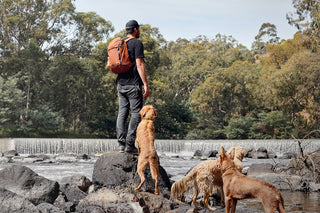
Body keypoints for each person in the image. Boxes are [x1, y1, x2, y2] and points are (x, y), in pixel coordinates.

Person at [116, 20, 150, 153]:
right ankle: (130, 144)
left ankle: (121, 144)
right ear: (136, 29)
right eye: (139, 29)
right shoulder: (137, 43)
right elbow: (140, 64)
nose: (139, 31)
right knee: (136, 113)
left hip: (120, 84)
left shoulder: (120, 43)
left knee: (122, 112)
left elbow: (110, 63)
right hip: (133, 84)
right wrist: (145, 84)